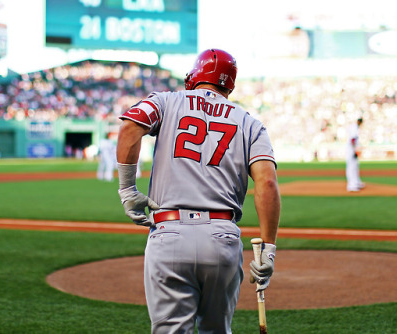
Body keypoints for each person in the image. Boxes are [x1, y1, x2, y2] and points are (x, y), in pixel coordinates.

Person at [116, 49, 280, 333]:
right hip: (222, 237)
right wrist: (268, 248)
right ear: (229, 84)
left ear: (194, 76)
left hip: (170, 233)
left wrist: (128, 189)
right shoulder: (250, 123)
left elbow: (131, 127)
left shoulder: (165, 101)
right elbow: (267, 183)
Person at [346, 116, 365, 191]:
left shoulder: (354, 126)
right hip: (351, 150)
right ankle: (352, 185)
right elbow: (353, 139)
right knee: (352, 167)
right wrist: (355, 150)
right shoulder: (354, 127)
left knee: (355, 166)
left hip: (351, 149)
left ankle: (356, 182)